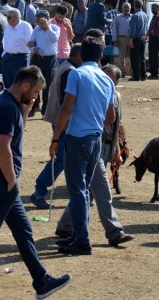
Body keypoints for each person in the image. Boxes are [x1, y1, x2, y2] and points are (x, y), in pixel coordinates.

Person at [0, 66, 71, 300]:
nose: (36, 96)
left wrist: (25, 110)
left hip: (1, 181)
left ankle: (41, 282)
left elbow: (15, 135)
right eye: (36, 91)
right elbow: (3, 148)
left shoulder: (3, 101)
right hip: (2, 181)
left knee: (24, 231)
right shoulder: (8, 108)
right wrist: (11, 181)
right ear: (25, 86)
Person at [54, 64, 134, 247]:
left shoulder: (112, 95)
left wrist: (116, 150)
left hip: (96, 144)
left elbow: (115, 124)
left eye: (110, 80)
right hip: (89, 142)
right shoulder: (86, 84)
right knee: (94, 189)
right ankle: (113, 231)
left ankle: (67, 226)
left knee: (84, 190)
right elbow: (66, 108)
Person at [50, 36, 116, 255]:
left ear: (80, 55)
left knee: (78, 191)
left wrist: (56, 137)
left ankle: (81, 240)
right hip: (96, 137)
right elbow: (110, 116)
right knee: (84, 190)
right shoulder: (107, 79)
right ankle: (79, 236)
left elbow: (67, 107)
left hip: (77, 137)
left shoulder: (77, 74)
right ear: (100, 55)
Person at [30, 44, 82, 209]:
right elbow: (66, 102)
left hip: (59, 119)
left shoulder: (64, 66)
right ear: (78, 56)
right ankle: (39, 190)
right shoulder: (70, 71)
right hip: (63, 121)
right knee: (61, 159)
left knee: (66, 158)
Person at [28, 9, 60, 115]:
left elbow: (54, 39)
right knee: (34, 83)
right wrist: (33, 49)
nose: (38, 21)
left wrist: (47, 27)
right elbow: (32, 43)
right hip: (37, 58)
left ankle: (45, 109)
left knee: (48, 85)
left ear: (47, 19)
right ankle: (34, 106)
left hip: (50, 59)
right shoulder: (36, 29)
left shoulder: (55, 28)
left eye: (41, 19)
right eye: (37, 19)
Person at [1, 8, 32, 88]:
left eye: (9, 17)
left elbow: (30, 42)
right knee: (7, 81)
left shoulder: (26, 26)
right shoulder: (8, 27)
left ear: (16, 17)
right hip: (8, 57)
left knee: (20, 82)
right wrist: (4, 55)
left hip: (21, 58)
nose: (7, 19)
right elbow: (5, 41)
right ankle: (9, 99)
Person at [128, 0, 147, 81]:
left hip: (136, 38)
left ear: (134, 5)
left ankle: (136, 76)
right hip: (143, 38)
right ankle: (143, 75)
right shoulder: (145, 15)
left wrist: (130, 40)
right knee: (142, 58)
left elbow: (133, 29)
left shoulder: (135, 16)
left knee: (135, 58)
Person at [111, 2, 131, 76]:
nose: (126, 9)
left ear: (130, 8)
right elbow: (114, 29)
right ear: (122, 8)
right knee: (121, 57)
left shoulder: (132, 17)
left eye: (127, 7)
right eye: (125, 7)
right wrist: (115, 40)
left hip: (130, 39)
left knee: (130, 57)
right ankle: (122, 73)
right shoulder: (118, 17)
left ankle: (131, 72)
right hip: (121, 38)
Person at [146, 3, 159, 79]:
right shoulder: (154, 17)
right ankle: (152, 73)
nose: (153, 10)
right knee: (151, 56)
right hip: (152, 39)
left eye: (154, 8)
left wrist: (150, 32)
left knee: (155, 57)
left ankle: (155, 74)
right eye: (152, 8)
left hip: (155, 38)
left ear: (158, 9)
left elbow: (158, 30)